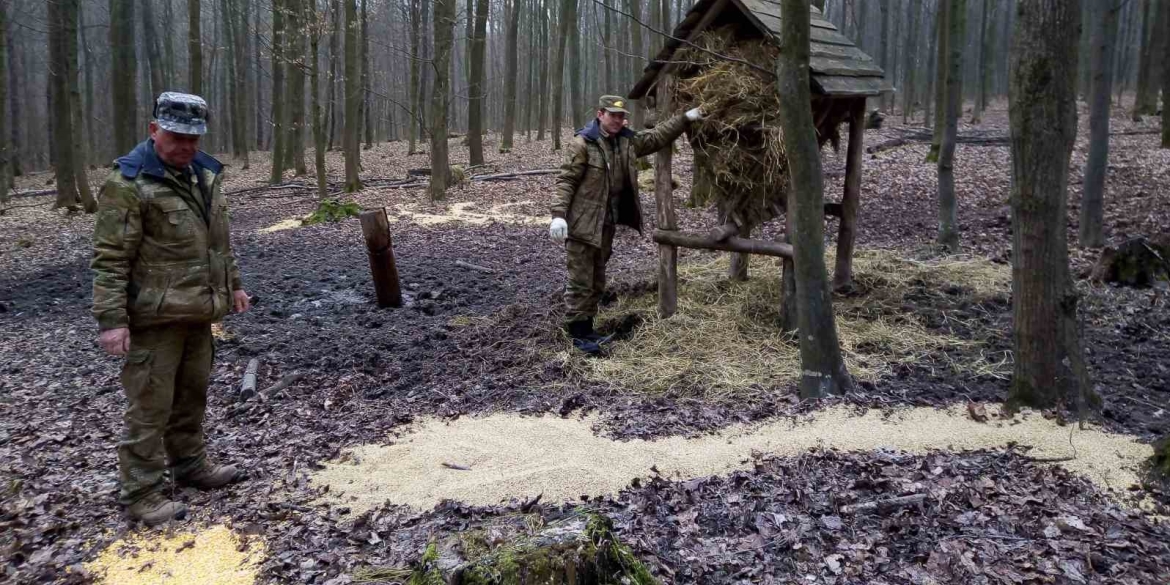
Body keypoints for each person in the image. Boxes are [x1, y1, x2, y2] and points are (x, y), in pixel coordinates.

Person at [91, 92, 250, 526]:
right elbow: (110, 259)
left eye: (194, 139)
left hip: (199, 311)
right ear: (154, 130)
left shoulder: (205, 175)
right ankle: (141, 491)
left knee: (191, 396)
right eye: (177, 137)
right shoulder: (128, 184)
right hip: (154, 318)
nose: (186, 146)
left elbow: (220, 242)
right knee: (149, 405)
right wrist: (111, 322)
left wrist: (233, 286)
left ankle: (190, 465)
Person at [550, 95, 704, 353]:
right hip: (582, 224)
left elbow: (656, 137)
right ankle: (578, 335)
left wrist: (685, 119)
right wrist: (558, 214)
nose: (617, 120)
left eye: (621, 116)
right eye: (612, 115)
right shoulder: (583, 144)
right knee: (581, 280)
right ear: (600, 114)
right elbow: (566, 180)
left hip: (606, 225)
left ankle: (588, 329)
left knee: (598, 279)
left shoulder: (627, 142)